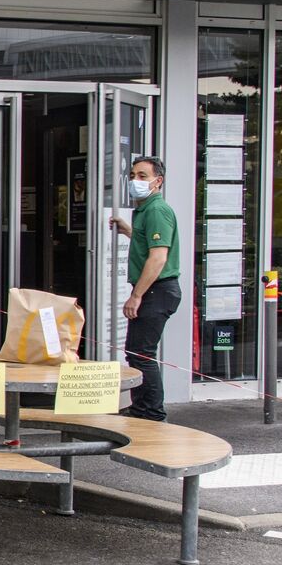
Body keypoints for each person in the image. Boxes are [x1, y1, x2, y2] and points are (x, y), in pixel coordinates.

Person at [110, 155, 181, 421]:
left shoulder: (156, 210)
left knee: (141, 354)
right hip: (156, 291)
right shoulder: (145, 210)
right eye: (132, 175)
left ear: (158, 181)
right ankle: (142, 407)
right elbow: (148, 243)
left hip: (157, 291)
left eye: (142, 176)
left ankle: (151, 412)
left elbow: (159, 257)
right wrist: (128, 230)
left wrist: (136, 295)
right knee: (136, 351)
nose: (134, 181)